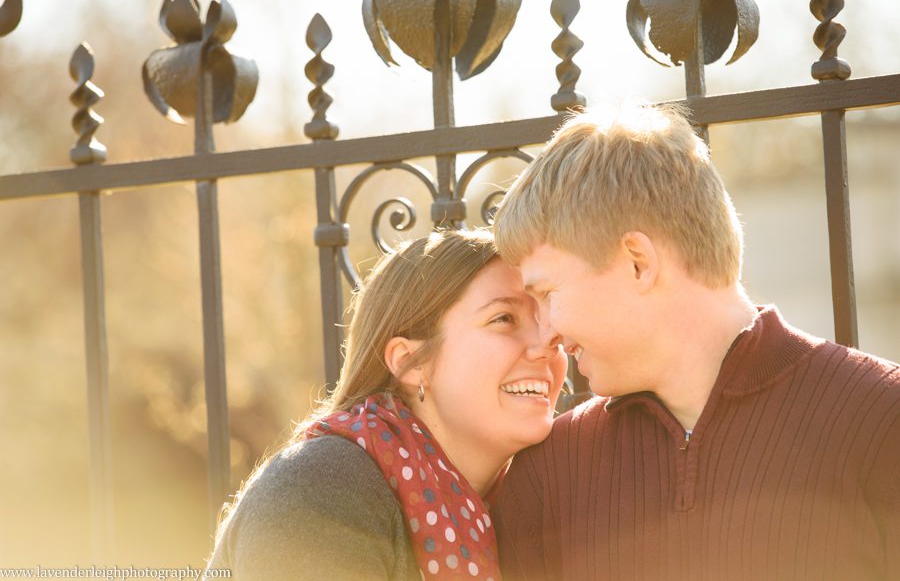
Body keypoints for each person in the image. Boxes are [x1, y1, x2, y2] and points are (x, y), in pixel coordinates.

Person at [490, 103, 900, 581]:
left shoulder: (881, 421)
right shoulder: (547, 475)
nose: (545, 334)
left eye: (546, 293)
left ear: (637, 261)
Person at [203, 228, 567, 581]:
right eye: (503, 318)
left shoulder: (524, 507)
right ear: (412, 362)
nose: (549, 342)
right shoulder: (319, 488)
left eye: (547, 320)